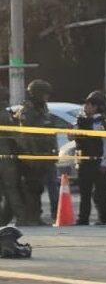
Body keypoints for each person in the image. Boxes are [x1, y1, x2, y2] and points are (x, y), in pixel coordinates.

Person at [14, 80, 57, 225]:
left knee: (38, 187)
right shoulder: (27, 111)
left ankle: (36, 216)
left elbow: (50, 131)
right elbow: (24, 136)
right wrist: (30, 156)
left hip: (44, 154)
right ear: (36, 94)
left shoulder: (43, 109)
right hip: (32, 155)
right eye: (44, 94)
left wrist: (53, 150)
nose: (46, 97)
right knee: (32, 186)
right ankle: (30, 216)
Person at [74, 91, 106, 226]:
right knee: (84, 192)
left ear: (97, 107)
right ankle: (83, 218)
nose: (86, 107)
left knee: (101, 192)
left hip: (98, 161)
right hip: (84, 161)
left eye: (89, 104)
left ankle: (104, 217)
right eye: (85, 104)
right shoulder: (80, 121)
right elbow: (73, 138)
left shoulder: (101, 123)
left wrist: (105, 163)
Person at [0, 88, 30, 227]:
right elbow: (17, 137)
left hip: (6, 158)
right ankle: (21, 217)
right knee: (12, 189)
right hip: (7, 159)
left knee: (10, 189)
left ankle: (17, 218)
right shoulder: (5, 115)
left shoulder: (5, 115)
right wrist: (25, 151)